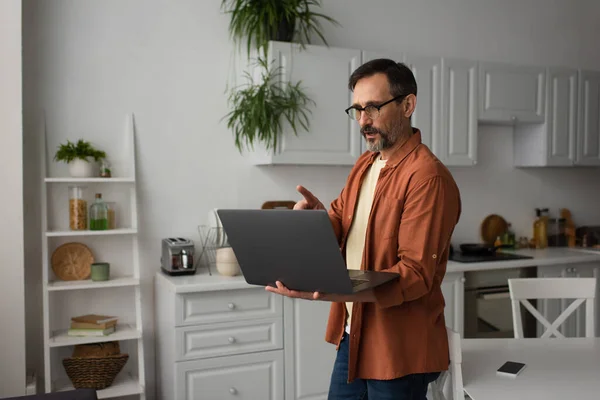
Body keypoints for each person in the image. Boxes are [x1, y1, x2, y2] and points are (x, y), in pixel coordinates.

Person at [265, 58, 462, 400]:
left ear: (408, 105)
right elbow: (341, 221)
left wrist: (336, 290)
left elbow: (414, 273)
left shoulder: (427, 177)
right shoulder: (366, 163)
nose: (363, 120)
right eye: (356, 109)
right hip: (354, 332)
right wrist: (315, 222)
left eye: (372, 107)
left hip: (399, 346)